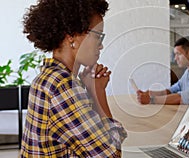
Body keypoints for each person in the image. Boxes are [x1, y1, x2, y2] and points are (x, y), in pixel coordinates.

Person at [20, 0, 127, 157]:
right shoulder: (62, 86)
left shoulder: (48, 77)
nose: (101, 45)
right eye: (98, 36)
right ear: (72, 37)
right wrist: (97, 92)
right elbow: (111, 154)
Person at [137, 36, 189, 105]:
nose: (175, 58)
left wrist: (151, 100)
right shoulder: (188, 72)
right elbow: (171, 90)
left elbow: (182, 98)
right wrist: (149, 93)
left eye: (178, 54)